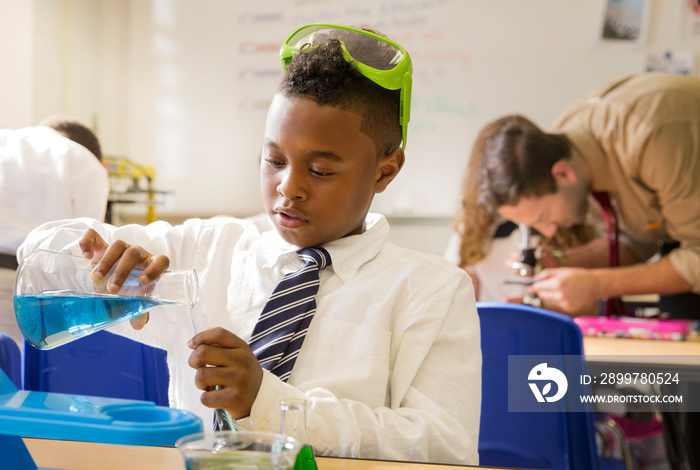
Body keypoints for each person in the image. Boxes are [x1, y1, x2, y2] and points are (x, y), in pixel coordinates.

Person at [17, 25, 480, 465]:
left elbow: (445, 448)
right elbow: (38, 252)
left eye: (319, 171)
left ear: (385, 169)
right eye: (273, 159)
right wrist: (92, 265)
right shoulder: (208, 249)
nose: (287, 188)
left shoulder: (432, 291)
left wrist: (267, 401)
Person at [475, 72, 700, 318]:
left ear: (562, 173)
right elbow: (638, 238)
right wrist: (561, 262)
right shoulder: (566, 153)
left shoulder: (651, 138)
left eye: (544, 216)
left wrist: (598, 284)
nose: (549, 232)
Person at [445, 114, 599, 314]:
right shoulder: (471, 234)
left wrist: (540, 307)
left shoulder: (571, 216)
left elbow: (593, 305)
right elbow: (460, 303)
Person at [0, 116, 109, 346]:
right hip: (23, 290)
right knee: (12, 373)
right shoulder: (83, 160)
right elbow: (91, 249)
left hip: (22, 284)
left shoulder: (5, 140)